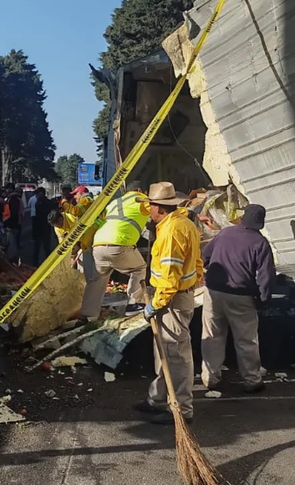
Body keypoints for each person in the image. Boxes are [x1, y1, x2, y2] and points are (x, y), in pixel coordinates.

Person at [136, 182, 203, 425]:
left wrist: (157, 302)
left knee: (175, 355)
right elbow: (197, 263)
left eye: (150, 206)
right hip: (176, 295)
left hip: (172, 299)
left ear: (159, 209)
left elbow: (170, 274)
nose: (148, 211)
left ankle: (182, 409)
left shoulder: (172, 231)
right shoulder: (182, 222)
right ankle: (157, 399)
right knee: (164, 351)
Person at [200, 204, 276, 394]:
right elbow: (266, 276)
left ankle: (210, 378)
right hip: (241, 296)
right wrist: (263, 299)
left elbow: (205, 256)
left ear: (243, 217)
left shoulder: (225, 233)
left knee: (212, 335)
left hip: (213, 292)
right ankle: (252, 380)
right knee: (246, 340)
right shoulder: (260, 243)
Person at [77, 180, 149, 324]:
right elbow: (159, 211)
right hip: (119, 243)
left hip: (98, 244)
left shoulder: (115, 203)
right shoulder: (142, 200)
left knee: (98, 279)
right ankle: (134, 304)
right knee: (139, 268)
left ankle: (87, 315)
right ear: (141, 190)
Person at [30, 187, 55, 266]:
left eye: (37, 193)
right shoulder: (48, 202)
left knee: (37, 248)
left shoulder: (39, 203)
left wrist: (34, 231)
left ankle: (35, 264)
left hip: (40, 228)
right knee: (46, 247)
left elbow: (37, 218)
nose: (36, 195)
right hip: (46, 228)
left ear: (41, 193)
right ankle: (49, 264)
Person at [2, 185, 24, 262]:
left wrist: (7, 224)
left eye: (7, 189)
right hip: (14, 224)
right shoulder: (15, 199)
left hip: (11, 225)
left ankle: (13, 259)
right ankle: (13, 258)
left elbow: (13, 214)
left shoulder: (13, 199)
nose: (6, 191)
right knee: (13, 242)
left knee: (11, 243)